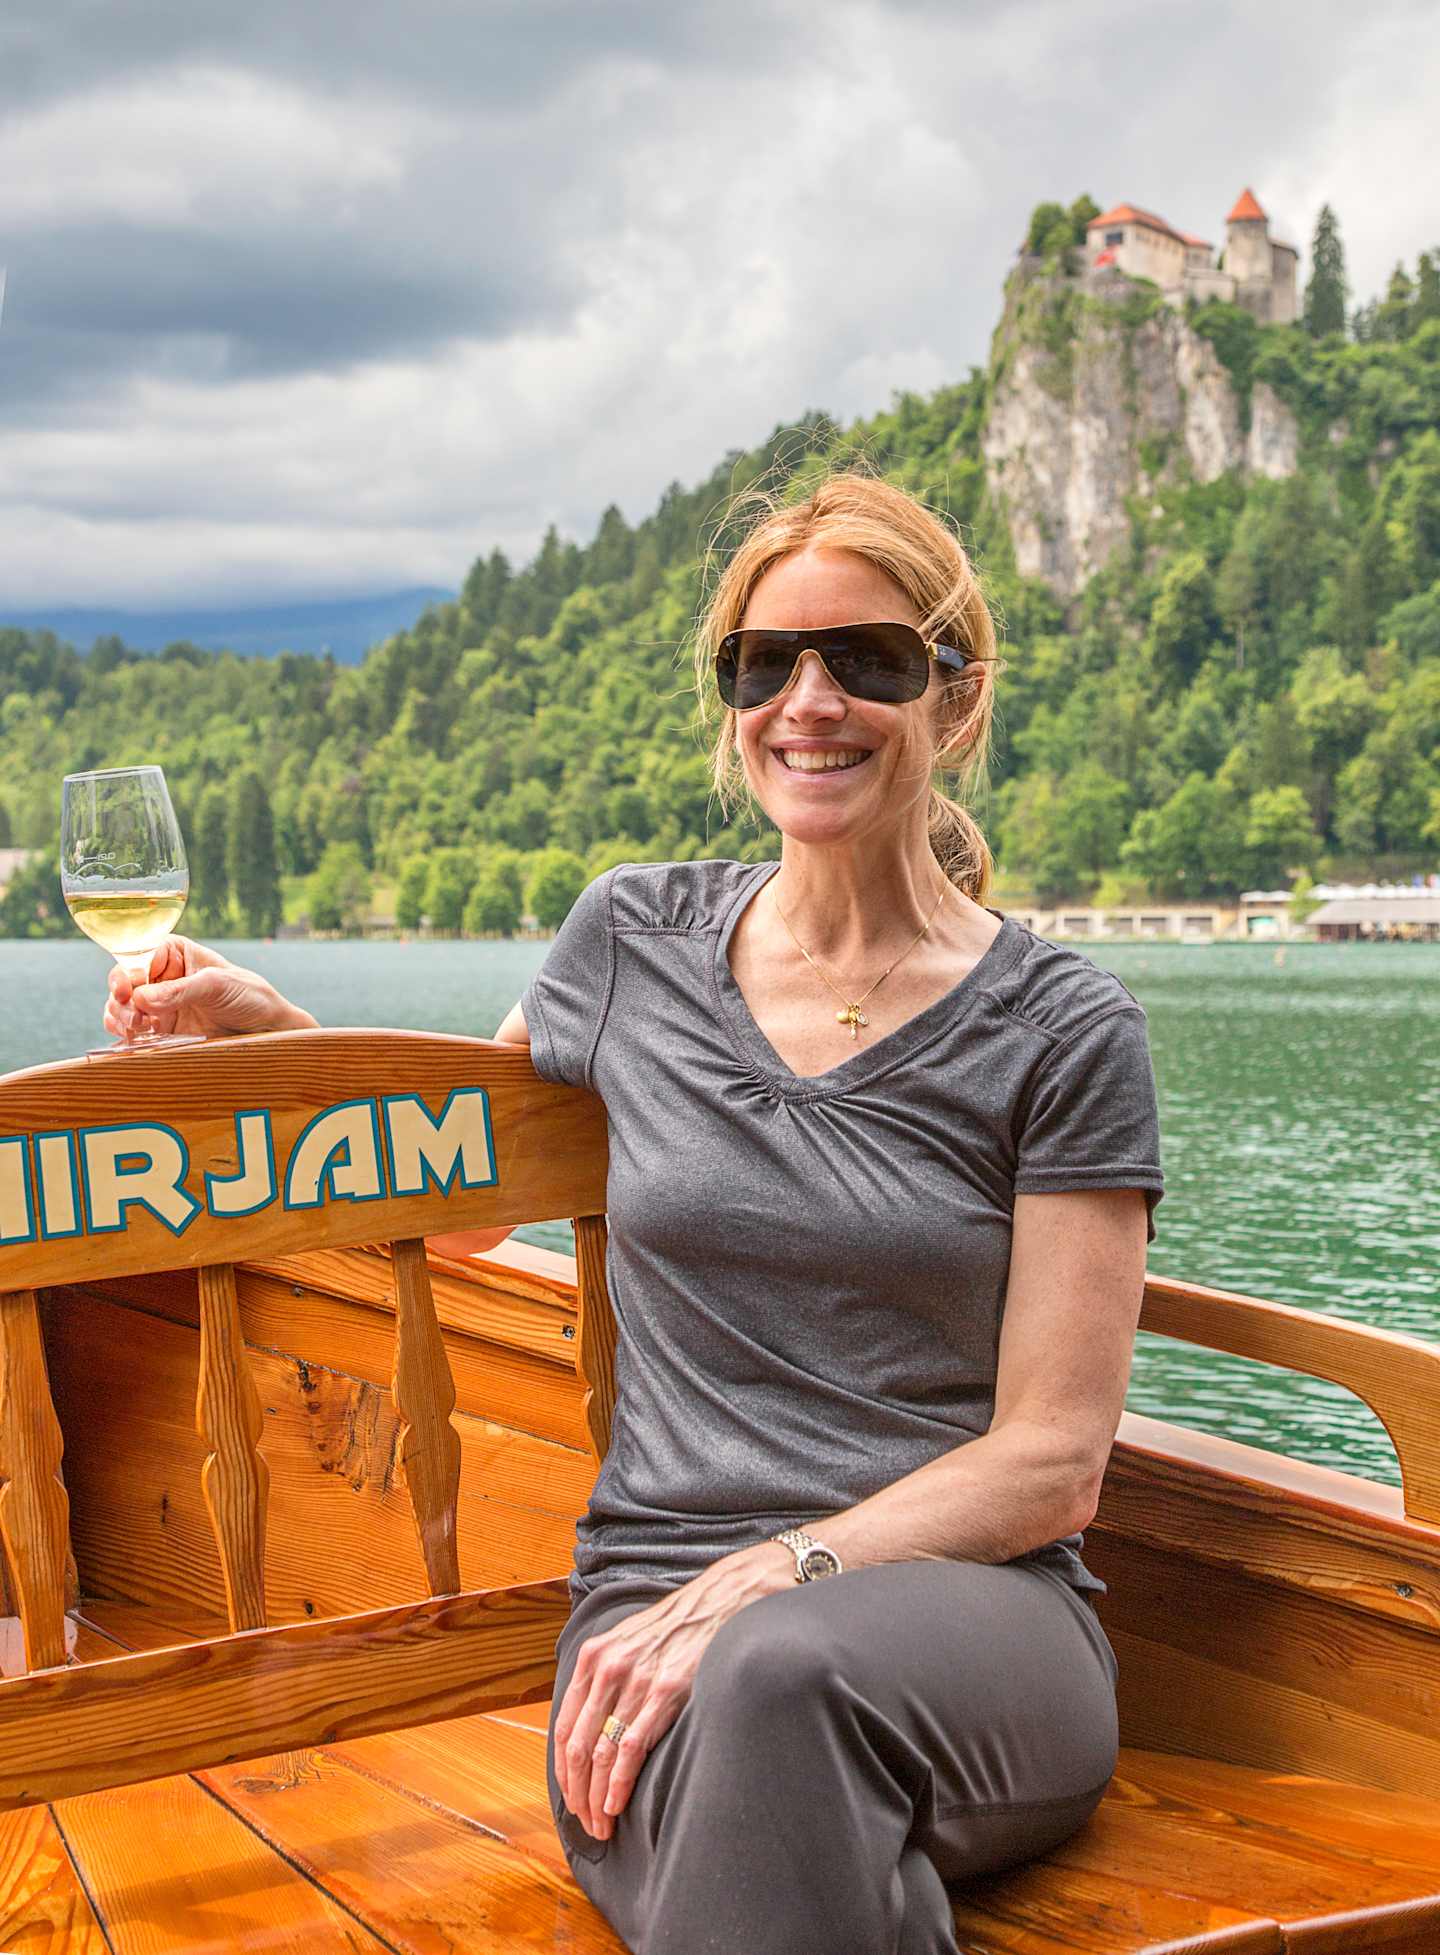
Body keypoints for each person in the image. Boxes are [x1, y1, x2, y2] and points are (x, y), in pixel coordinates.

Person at [106, 472, 1163, 1955]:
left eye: (866, 659)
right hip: (646, 1627)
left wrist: (770, 1579)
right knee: (795, 1826)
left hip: (967, 1624)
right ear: (730, 704)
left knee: (778, 1681)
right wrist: (268, 1033)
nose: (810, 700)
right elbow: (458, 1200)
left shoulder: (1062, 1029)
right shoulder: (634, 940)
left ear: (956, 697)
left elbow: (1052, 1464)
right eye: (763, 663)